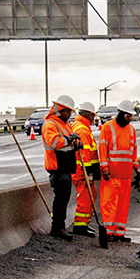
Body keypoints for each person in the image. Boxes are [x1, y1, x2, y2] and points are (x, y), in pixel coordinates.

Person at [39, 95, 80, 236]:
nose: (70, 114)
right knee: (61, 199)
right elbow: (55, 143)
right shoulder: (50, 124)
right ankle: (57, 228)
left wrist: (75, 145)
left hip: (65, 166)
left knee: (64, 198)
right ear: (60, 110)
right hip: (57, 167)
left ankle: (60, 227)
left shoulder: (65, 125)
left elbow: (66, 145)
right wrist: (70, 138)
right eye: (68, 111)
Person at [98, 105, 140, 241]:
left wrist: (136, 167)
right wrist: (104, 167)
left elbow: (133, 151)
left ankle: (119, 232)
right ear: (121, 113)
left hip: (126, 174)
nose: (129, 119)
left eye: (131, 116)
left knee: (123, 204)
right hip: (111, 173)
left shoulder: (132, 130)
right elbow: (103, 149)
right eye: (127, 116)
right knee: (109, 203)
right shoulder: (108, 127)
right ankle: (108, 231)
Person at [70, 102, 103, 235]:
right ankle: (80, 226)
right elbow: (83, 155)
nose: (94, 118)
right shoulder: (82, 130)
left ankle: (83, 223)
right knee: (85, 197)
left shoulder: (81, 126)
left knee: (90, 195)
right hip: (81, 172)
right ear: (89, 114)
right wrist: (88, 173)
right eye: (93, 115)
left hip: (82, 171)